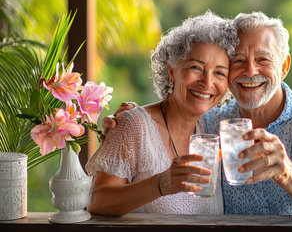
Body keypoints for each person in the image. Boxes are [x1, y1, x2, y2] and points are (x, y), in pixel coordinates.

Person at [103, 11, 292, 218]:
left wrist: (287, 172)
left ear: (284, 66)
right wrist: (130, 121)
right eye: (238, 60)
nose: (250, 71)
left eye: (263, 59)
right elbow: (173, 112)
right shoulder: (213, 120)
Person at [85, 11, 239, 216]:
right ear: (172, 71)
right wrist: (161, 184)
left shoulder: (214, 129)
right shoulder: (134, 124)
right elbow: (96, 201)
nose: (207, 82)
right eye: (195, 67)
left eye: (219, 73)